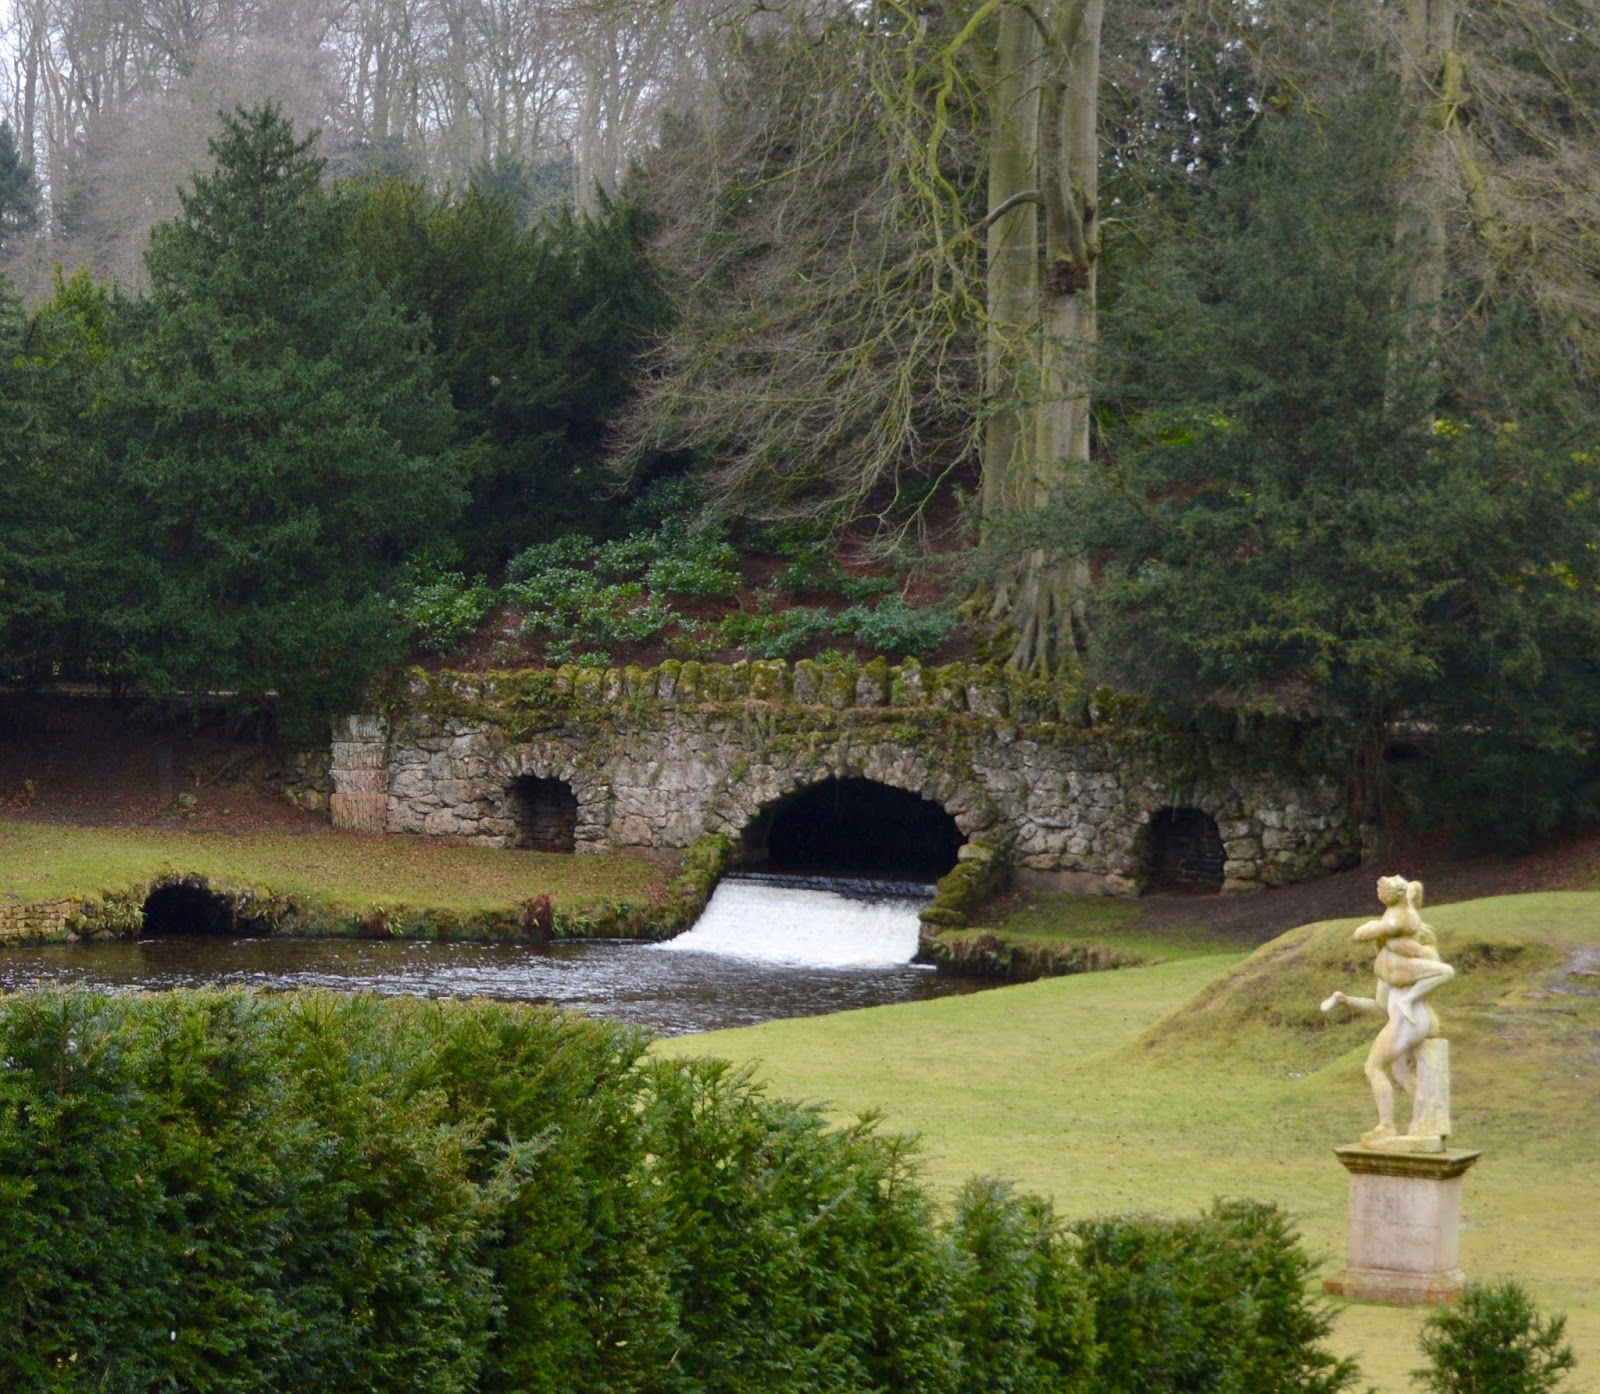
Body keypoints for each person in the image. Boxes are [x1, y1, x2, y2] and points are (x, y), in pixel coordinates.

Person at [1321, 876, 1455, 1145]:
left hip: (1409, 1019)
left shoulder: (1403, 959)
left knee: (1373, 1067)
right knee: (1401, 1073)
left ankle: (1386, 1126)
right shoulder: (1388, 970)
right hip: (1419, 1019)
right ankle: (1427, 1119)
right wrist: (1346, 1000)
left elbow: (1374, 931)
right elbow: (1380, 1007)